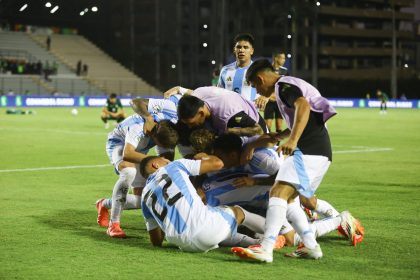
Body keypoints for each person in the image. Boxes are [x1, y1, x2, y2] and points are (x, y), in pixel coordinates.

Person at [231, 59, 361, 262]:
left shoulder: (283, 86)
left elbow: (304, 106)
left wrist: (292, 140)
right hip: (315, 150)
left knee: (277, 193)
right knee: (290, 200)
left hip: (309, 150)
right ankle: (311, 247)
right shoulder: (288, 84)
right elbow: (303, 116)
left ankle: (266, 249)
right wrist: (281, 135)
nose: (257, 91)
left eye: (256, 86)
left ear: (260, 78)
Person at [139, 154, 273, 252]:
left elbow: (156, 241)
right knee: (237, 212)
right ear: (155, 164)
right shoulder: (174, 166)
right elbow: (218, 163)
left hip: (181, 244)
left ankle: (254, 242)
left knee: (212, 217)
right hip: (205, 229)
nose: (168, 160)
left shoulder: (145, 195)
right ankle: (271, 237)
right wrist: (205, 156)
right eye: (164, 160)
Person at [96, 115, 178, 238]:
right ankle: (113, 225)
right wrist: (154, 159)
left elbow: (165, 160)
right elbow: (127, 154)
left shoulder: (166, 129)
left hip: (138, 151)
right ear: (154, 136)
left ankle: (104, 203)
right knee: (129, 171)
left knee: (143, 199)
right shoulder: (138, 128)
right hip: (120, 145)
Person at [165, 86, 268, 136]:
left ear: (201, 113)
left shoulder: (227, 114)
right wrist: (179, 89)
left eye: (191, 123)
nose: (190, 126)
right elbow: (191, 92)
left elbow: (257, 130)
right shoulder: (198, 94)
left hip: (257, 130)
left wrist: (231, 132)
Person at [217, 33, 267, 109]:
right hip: (229, 115)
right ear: (234, 50)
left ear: (252, 51)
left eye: (245, 47)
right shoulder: (225, 70)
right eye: (238, 47)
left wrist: (265, 97)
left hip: (251, 115)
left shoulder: (260, 70)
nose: (241, 50)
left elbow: (273, 90)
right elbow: (219, 93)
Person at [264, 51, 287, 132]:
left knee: (279, 126)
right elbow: (264, 85)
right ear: (276, 58)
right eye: (282, 58)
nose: (284, 60)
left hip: (279, 102)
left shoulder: (285, 71)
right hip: (269, 101)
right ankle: (267, 144)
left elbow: (286, 86)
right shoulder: (267, 70)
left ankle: (276, 145)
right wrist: (269, 96)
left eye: (284, 58)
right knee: (268, 126)